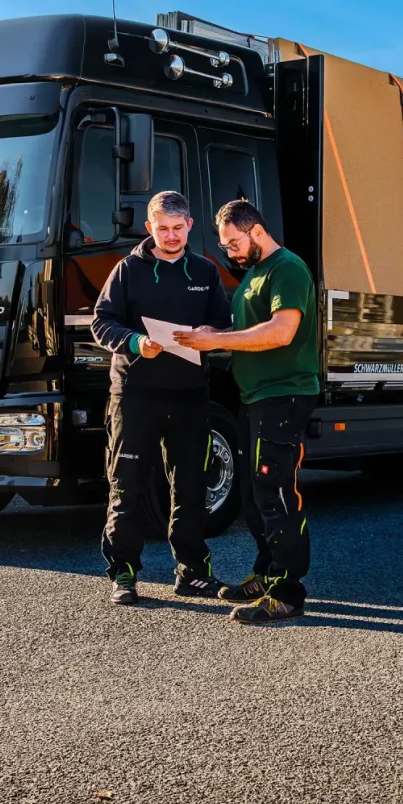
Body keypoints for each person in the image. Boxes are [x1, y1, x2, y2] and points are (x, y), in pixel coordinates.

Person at [174, 200, 321, 625]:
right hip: (256, 396)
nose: (230, 254)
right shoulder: (253, 275)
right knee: (252, 497)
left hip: (284, 394)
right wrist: (212, 335)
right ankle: (265, 573)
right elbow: (247, 332)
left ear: (256, 231)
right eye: (225, 247)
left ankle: (288, 593)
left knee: (275, 494)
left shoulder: (286, 268)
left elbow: (281, 331)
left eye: (234, 244)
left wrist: (219, 341)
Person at [90, 191, 233, 606]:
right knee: (127, 485)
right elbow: (102, 323)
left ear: (189, 225)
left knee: (190, 486)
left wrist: (206, 336)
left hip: (190, 395)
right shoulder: (128, 270)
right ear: (149, 228)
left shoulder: (205, 271)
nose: (171, 236)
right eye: (162, 229)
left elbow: (223, 328)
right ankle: (124, 574)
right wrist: (135, 342)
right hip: (135, 395)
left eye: (178, 228)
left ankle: (192, 573)